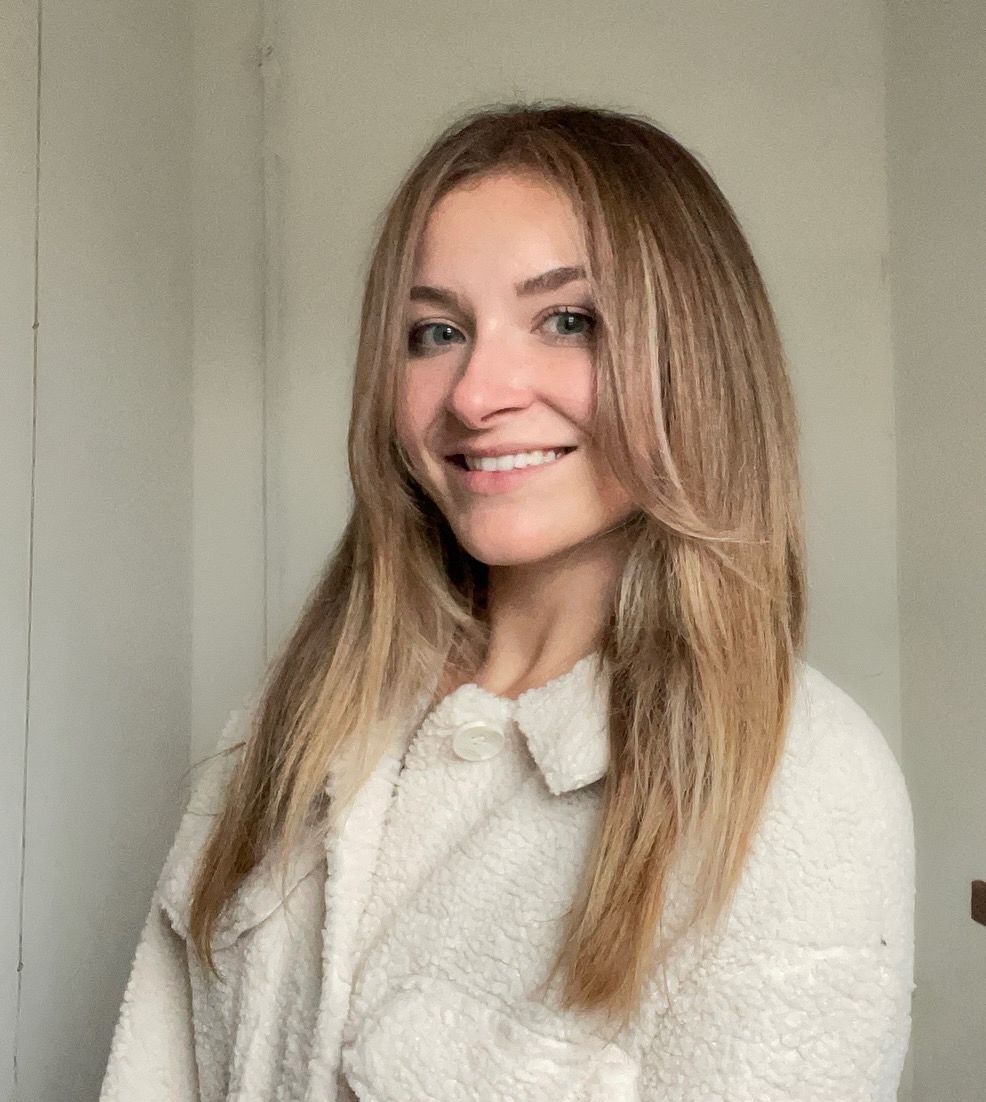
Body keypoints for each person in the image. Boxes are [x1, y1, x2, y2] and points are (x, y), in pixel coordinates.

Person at [99, 100, 915, 1101]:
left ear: (696, 360)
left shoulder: (799, 783)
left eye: (568, 320)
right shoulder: (293, 715)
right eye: (435, 332)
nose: (475, 394)